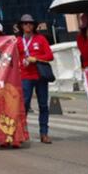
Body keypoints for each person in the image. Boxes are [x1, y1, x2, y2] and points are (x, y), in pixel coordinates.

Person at [19, 14, 54, 145]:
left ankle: (44, 133)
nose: (28, 25)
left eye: (30, 23)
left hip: (40, 76)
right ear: (21, 26)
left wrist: (37, 59)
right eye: (25, 23)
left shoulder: (40, 39)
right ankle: (21, 132)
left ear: (34, 25)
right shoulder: (17, 41)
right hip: (25, 76)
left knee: (43, 105)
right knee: (24, 105)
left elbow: (50, 56)